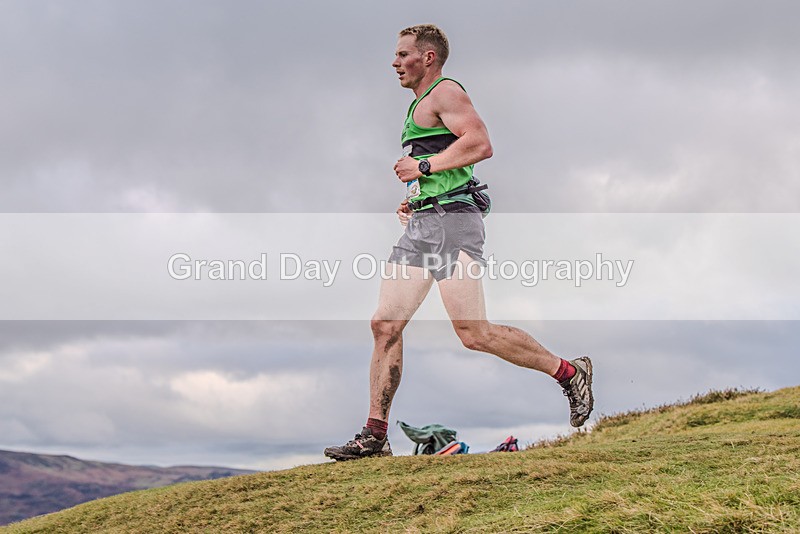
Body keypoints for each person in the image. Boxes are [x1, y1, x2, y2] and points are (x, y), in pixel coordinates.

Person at [324, 24, 593, 461]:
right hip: (426, 222)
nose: (394, 62)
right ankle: (374, 435)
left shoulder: (445, 92)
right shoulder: (419, 107)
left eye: (402, 54)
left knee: (474, 333)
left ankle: (568, 372)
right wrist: (417, 198)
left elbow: (481, 144)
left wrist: (424, 168)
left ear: (427, 58)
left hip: (453, 224)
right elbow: (450, 165)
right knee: (384, 325)